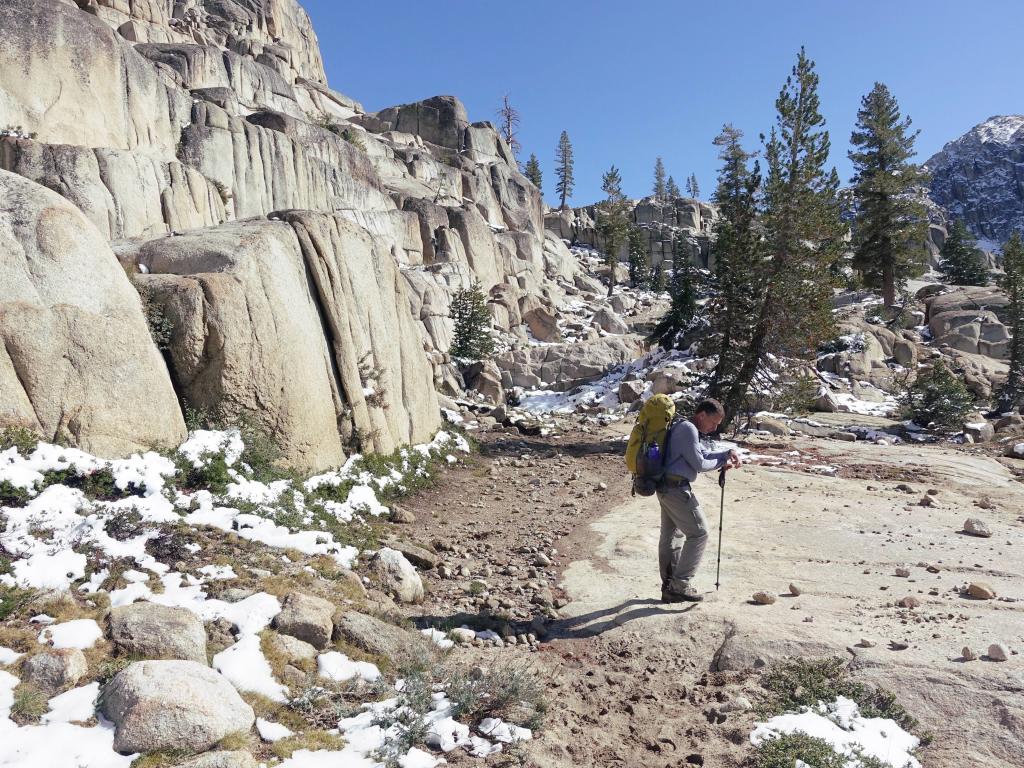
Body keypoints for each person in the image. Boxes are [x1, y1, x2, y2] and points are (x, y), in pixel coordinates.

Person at [657, 398, 741, 602]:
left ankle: (670, 587)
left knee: (671, 536)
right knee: (699, 533)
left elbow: (701, 452)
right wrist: (722, 461)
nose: (714, 428)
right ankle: (681, 584)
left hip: (666, 487)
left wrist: (726, 453)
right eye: (713, 422)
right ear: (702, 415)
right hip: (676, 489)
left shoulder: (684, 426)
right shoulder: (688, 429)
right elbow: (700, 463)